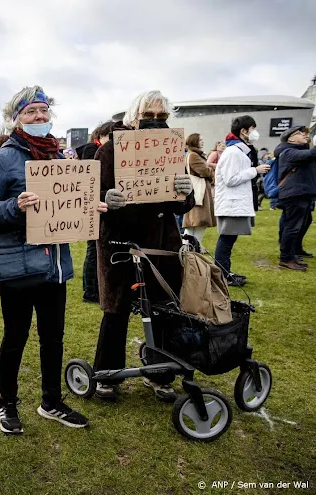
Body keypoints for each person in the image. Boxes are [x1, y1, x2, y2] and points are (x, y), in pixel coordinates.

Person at [0, 85, 106, 435]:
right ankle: (7, 403)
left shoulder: (61, 159)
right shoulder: (2, 159)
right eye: (31, 112)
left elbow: (69, 204)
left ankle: (51, 401)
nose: (39, 117)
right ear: (16, 117)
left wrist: (89, 209)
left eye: (43, 111)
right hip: (18, 265)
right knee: (15, 337)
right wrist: (14, 207)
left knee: (53, 338)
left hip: (56, 266)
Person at [94, 90, 195, 401]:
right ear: (133, 118)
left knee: (165, 308)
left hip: (162, 242)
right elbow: (91, 198)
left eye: (161, 117)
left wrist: (186, 191)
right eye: (148, 116)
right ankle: (107, 375)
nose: (155, 122)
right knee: (117, 310)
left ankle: (160, 373)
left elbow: (183, 205)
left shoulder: (173, 149)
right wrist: (106, 199)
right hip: (122, 243)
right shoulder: (109, 151)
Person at [214, 116, 271, 286]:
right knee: (226, 240)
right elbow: (230, 179)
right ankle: (223, 274)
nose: (255, 133)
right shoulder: (233, 152)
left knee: (228, 240)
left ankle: (224, 272)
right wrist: (255, 170)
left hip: (234, 203)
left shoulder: (239, 151)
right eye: (253, 128)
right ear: (243, 131)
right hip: (231, 204)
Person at [76, 122, 111, 303]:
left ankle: (94, 288)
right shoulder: (92, 151)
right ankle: (90, 290)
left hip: (98, 206)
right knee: (93, 251)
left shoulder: (94, 150)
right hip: (93, 207)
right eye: (109, 136)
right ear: (101, 136)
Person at [273, 125, 316, 271]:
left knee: (293, 226)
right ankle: (286, 259)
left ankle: (291, 255)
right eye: (300, 133)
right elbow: (310, 155)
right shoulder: (288, 152)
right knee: (292, 227)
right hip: (295, 195)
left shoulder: (295, 150)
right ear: (290, 138)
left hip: (299, 193)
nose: (305, 135)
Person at [182, 133, 217, 246]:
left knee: (194, 223)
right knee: (198, 222)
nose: (202, 141)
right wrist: (211, 172)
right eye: (200, 140)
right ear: (194, 141)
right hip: (199, 193)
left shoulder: (194, 155)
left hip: (199, 191)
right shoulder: (194, 155)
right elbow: (205, 171)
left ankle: (190, 248)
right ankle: (193, 248)